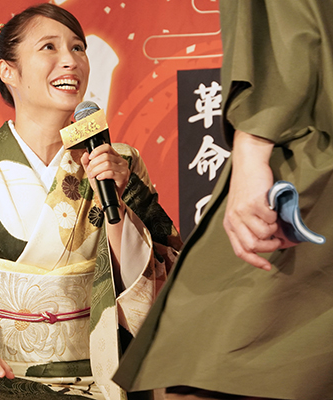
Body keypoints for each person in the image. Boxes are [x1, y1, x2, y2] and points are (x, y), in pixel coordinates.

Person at [0, 4, 181, 400]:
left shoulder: (118, 162)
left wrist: (119, 199)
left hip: (99, 378)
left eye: (78, 48)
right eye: (49, 47)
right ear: (8, 71)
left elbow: (155, 278)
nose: (71, 60)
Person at [112, 1, 333, 399]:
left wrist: (252, 149)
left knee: (208, 357)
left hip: (307, 157)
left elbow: (284, 36)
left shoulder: (125, 159)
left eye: (77, 47)